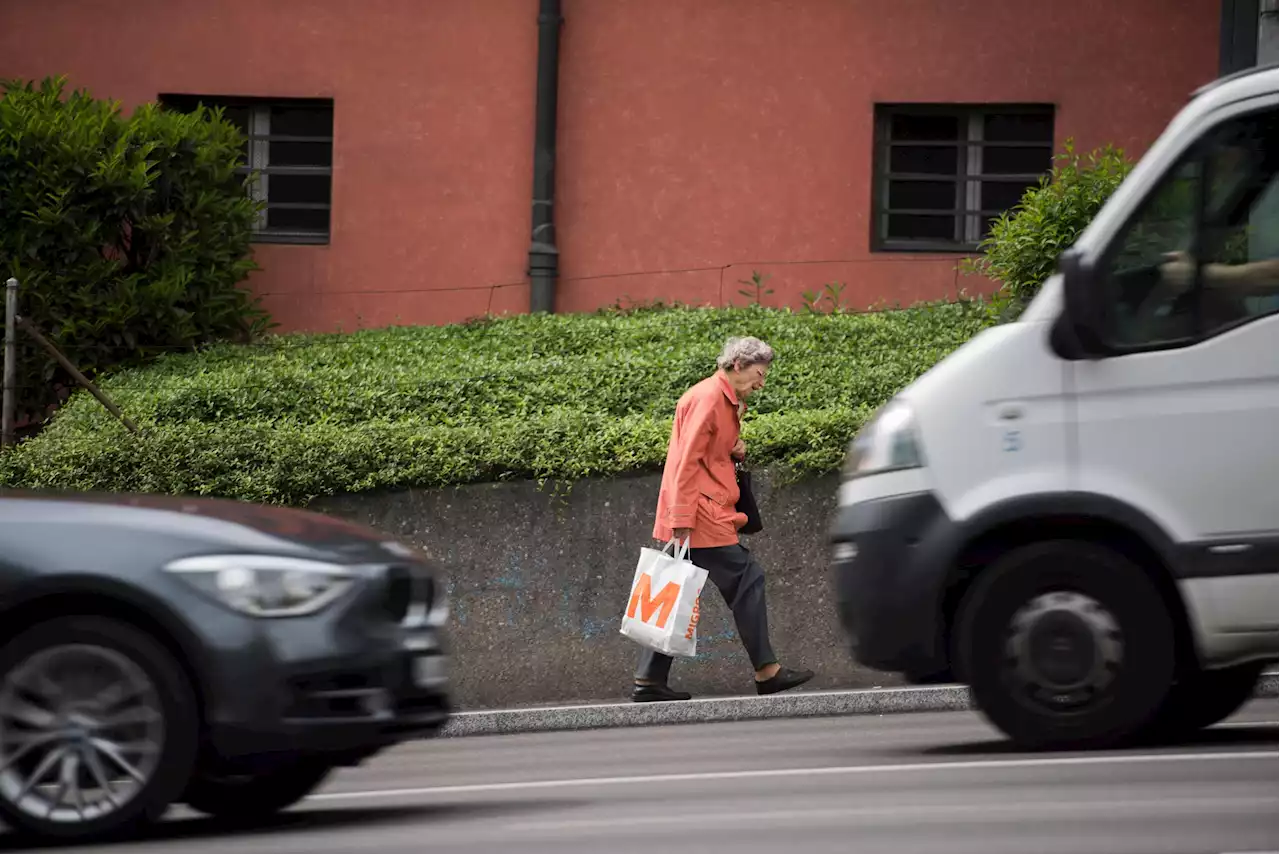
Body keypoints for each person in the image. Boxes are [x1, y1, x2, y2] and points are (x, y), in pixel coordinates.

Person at [632, 335, 814, 702]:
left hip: (701, 510)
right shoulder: (710, 399)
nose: (761, 383)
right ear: (737, 365)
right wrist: (681, 516)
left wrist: (733, 448)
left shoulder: (721, 399)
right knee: (747, 577)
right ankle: (767, 671)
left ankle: (649, 680)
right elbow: (686, 463)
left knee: (679, 587)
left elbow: (704, 450)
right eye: (758, 374)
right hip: (701, 513)